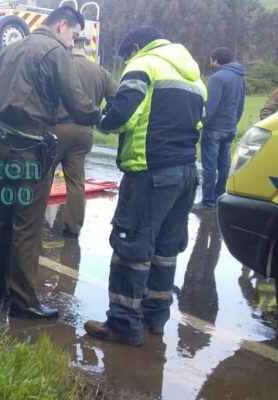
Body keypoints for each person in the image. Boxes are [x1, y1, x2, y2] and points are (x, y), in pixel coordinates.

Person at [84, 26, 206, 346]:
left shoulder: (144, 64)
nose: (127, 60)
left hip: (149, 173)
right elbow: (198, 124)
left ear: (136, 46)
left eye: (127, 54)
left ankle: (124, 324)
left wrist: (99, 119)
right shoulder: (194, 78)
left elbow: (123, 115)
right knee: (166, 250)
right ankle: (155, 317)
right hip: (186, 173)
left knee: (131, 247)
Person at [0, 5, 100, 320]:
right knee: (27, 226)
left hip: (0, 146)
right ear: (63, 25)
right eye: (73, 36)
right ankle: (25, 301)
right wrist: (98, 115)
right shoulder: (54, 51)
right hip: (29, 149)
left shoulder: (10, 49)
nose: (71, 44)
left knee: (2, 218)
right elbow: (77, 102)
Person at [52, 34, 118, 238]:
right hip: (83, 132)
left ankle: (34, 223)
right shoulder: (101, 72)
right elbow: (118, 99)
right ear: (87, 49)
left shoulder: (60, 66)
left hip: (55, 129)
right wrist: (101, 119)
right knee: (76, 181)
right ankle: (73, 228)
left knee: (44, 177)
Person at [194, 47, 246, 211]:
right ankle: (219, 199)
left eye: (211, 60)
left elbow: (210, 106)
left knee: (209, 166)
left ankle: (207, 202)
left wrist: (202, 124)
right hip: (230, 128)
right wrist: (234, 122)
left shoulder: (217, 77)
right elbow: (241, 104)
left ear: (216, 60)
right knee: (224, 166)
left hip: (214, 128)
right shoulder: (239, 78)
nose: (211, 63)